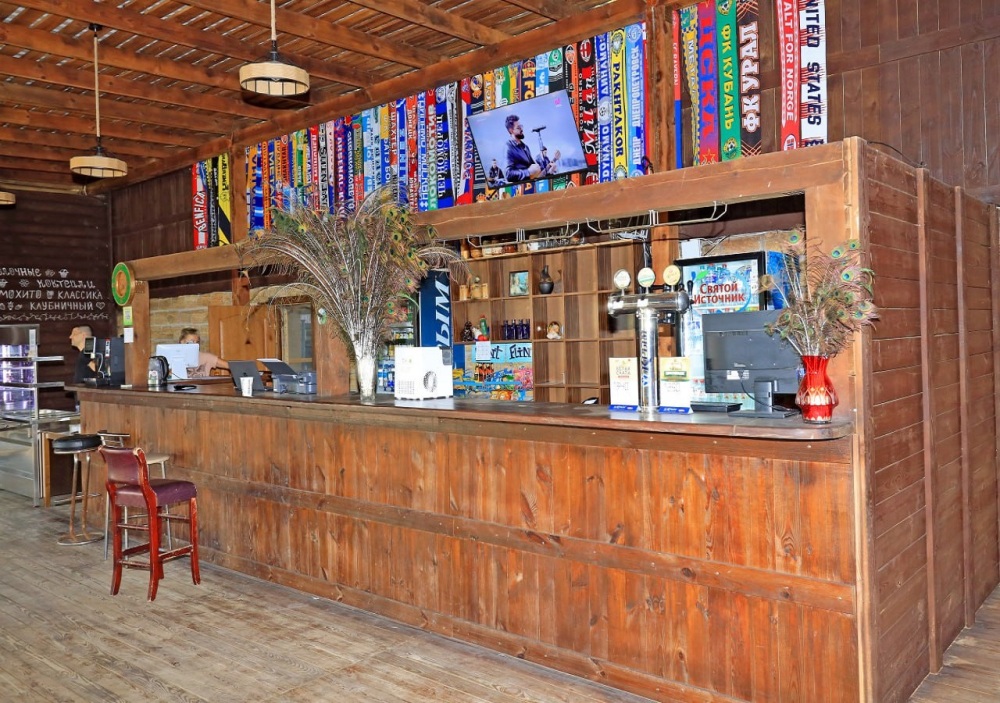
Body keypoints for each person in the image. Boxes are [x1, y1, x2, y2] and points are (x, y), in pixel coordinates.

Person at [503, 114, 560, 182]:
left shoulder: (525, 147)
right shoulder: (509, 147)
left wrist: (549, 171)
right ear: (511, 131)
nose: (522, 129)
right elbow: (508, 174)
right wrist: (528, 171)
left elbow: (537, 173)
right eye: (518, 127)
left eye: (521, 126)